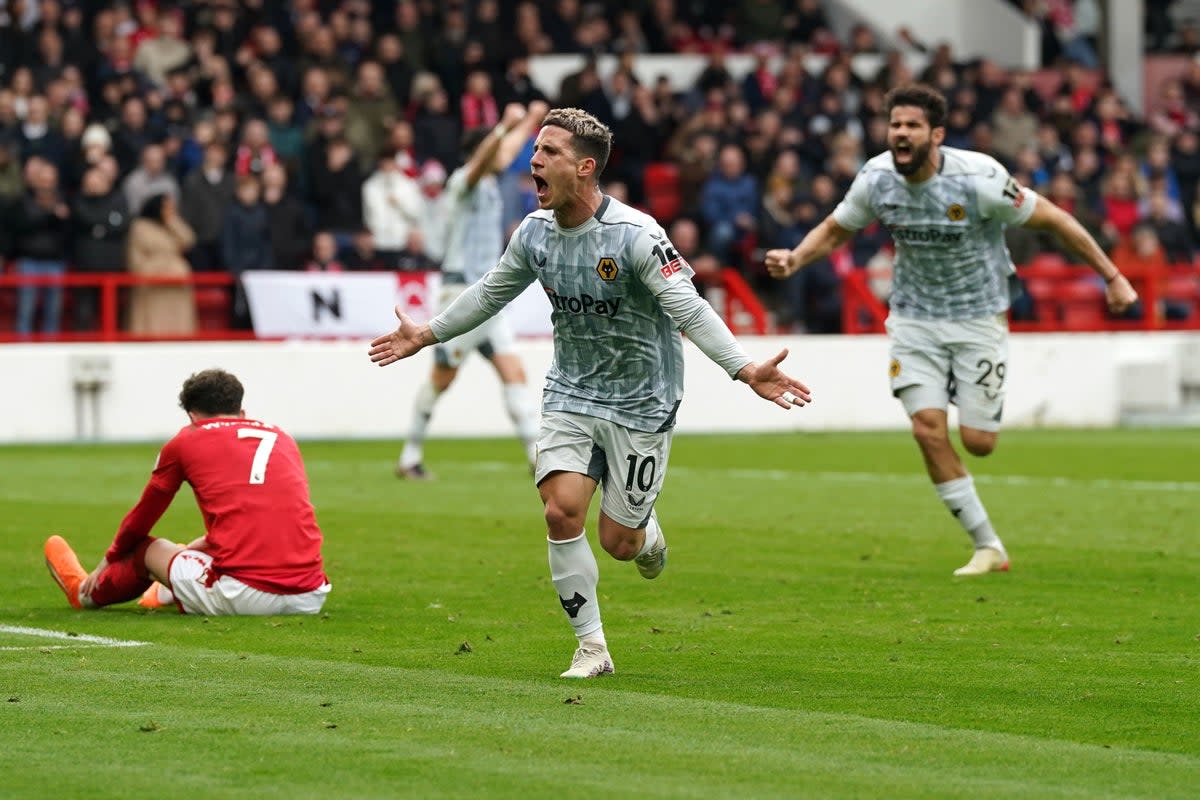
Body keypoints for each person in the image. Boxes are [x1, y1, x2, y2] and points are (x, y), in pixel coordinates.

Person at [369, 107, 812, 678]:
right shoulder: (534, 233)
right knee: (560, 511)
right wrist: (426, 333)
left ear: (583, 168)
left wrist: (744, 368)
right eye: (534, 150)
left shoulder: (635, 235)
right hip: (571, 393)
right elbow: (489, 293)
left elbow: (688, 307)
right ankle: (592, 647)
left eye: (548, 152)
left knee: (620, 543)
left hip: (642, 398)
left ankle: (645, 529)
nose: (534, 160)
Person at [764, 83, 1139, 577]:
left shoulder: (979, 179)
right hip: (914, 321)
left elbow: (1054, 220)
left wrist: (1112, 275)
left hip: (979, 318)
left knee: (979, 441)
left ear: (936, 134)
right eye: (895, 124)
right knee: (926, 429)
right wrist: (795, 257)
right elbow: (837, 228)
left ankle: (965, 392)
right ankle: (988, 546)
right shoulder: (877, 178)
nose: (900, 133)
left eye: (912, 126)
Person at [44, 368, 331, 616]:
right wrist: (206, 543)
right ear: (241, 412)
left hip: (244, 595)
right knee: (194, 549)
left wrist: (107, 560)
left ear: (193, 416)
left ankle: (84, 593)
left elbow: (143, 517)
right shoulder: (282, 437)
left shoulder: (187, 439)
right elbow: (270, 511)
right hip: (310, 595)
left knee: (148, 549)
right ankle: (164, 593)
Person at [394, 100, 548, 479]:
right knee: (443, 378)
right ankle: (409, 456)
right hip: (461, 292)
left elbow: (504, 152)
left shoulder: (491, 180)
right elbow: (486, 160)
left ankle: (536, 457)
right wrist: (502, 128)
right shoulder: (463, 180)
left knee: (513, 371)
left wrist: (529, 120)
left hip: (489, 295)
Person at [126, 192, 197, 337]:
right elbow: (135, 258)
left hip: (176, 284)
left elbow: (188, 240)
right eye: (166, 207)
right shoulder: (140, 227)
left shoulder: (172, 225)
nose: (170, 210)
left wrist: (172, 221)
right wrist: (152, 272)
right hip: (152, 284)